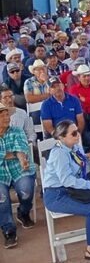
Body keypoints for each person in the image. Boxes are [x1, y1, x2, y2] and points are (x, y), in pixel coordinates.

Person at [42, 120, 90, 261]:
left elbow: (75, 164)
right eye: (73, 133)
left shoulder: (75, 148)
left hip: (73, 189)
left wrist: (85, 157)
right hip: (57, 194)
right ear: (62, 137)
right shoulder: (59, 154)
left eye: (77, 131)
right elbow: (67, 180)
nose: (78, 135)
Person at [0, 101, 36, 249]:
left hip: (19, 169)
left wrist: (21, 159)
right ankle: (8, 230)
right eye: (1, 114)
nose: (6, 117)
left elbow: (22, 148)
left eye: (6, 113)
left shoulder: (16, 130)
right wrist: (12, 154)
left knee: (26, 191)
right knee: (1, 198)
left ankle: (23, 212)